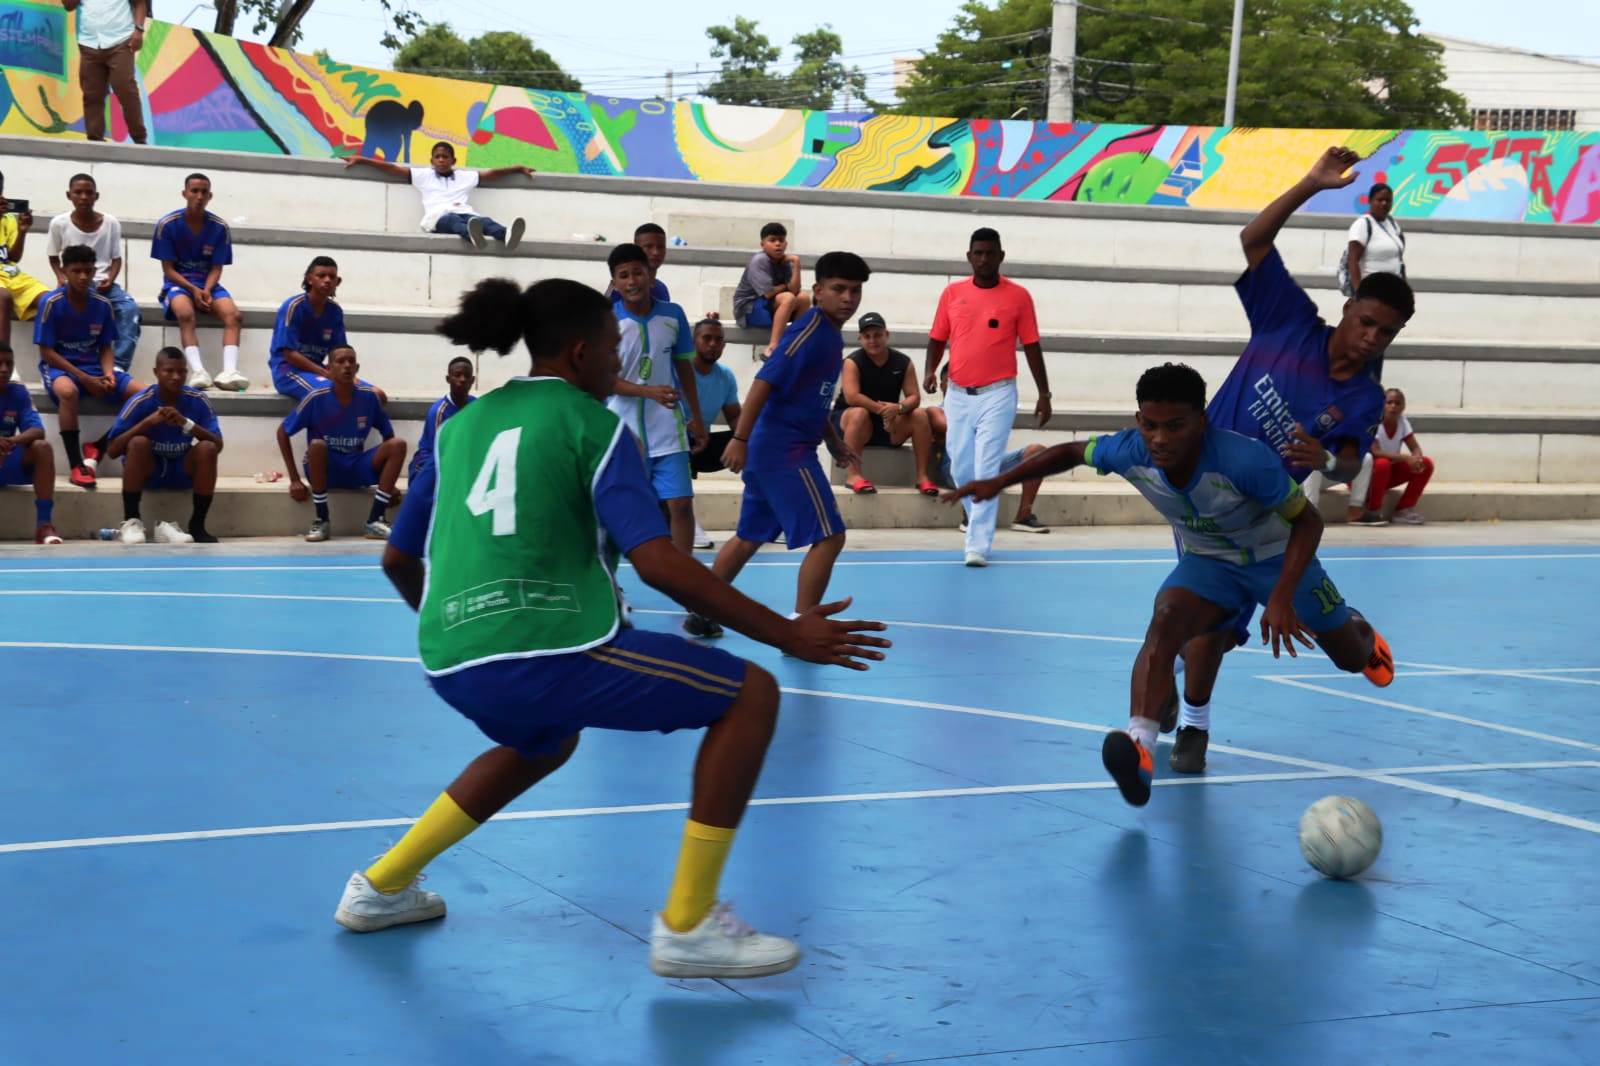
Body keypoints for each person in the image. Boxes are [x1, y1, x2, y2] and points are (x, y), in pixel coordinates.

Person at [332, 275, 890, 983]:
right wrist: (784, 632)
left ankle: (380, 886)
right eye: (610, 349)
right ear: (578, 354)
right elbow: (657, 562)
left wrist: (459, 622)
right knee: (750, 695)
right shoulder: (594, 425)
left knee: (543, 741)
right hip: (547, 648)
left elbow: (397, 556)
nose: (618, 365)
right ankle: (688, 925)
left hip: (448, 657)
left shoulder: (460, 424)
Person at [946, 363, 1394, 802]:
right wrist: (998, 481)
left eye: (1175, 426)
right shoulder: (1131, 450)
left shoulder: (1245, 459)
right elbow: (1068, 452)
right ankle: (1140, 746)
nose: (1160, 439)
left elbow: (1309, 523)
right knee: (1165, 622)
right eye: (1150, 424)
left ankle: (1358, 629)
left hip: (1276, 556)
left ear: (1202, 421)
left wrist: (1280, 597)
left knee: (1350, 658)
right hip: (1210, 562)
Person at [1169, 145, 1411, 765]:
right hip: (1206, 504)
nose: (1372, 337)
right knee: (1209, 628)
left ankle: (1355, 628)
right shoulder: (1287, 323)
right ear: (1348, 307)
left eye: (1386, 333)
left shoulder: (1360, 397)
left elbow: (1352, 463)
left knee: (1349, 657)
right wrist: (1310, 182)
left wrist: (1326, 463)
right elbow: (1253, 238)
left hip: (1277, 523)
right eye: (1367, 322)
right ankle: (1193, 726)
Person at [704, 252, 869, 636]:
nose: (848, 298)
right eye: (839, 289)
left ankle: (701, 607)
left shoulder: (830, 334)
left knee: (749, 537)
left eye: (855, 291)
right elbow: (765, 381)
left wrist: (834, 441)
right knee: (830, 536)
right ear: (818, 291)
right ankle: (802, 626)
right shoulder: (809, 331)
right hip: (784, 451)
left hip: (777, 448)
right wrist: (740, 438)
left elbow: (816, 396)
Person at [923, 227, 1051, 567]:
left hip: (998, 393)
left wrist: (1044, 393)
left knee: (986, 465)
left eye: (990, 253)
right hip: (959, 395)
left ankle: (977, 544)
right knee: (962, 467)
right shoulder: (952, 293)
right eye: (978, 253)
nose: (983, 259)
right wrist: (930, 370)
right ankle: (977, 516)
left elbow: (1033, 345)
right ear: (969, 257)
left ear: (1001, 256)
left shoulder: (1019, 296)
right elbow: (937, 337)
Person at [604, 243, 706, 555]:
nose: (632, 281)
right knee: (620, 512)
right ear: (615, 282)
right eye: (623, 275)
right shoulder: (607, 321)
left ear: (650, 274)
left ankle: (688, 582)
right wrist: (647, 392)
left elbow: (684, 367)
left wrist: (698, 418)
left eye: (638, 272)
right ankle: (613, 584)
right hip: (623, 431)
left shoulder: (673, 315)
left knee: (680, 505)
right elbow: (604, 380)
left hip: (668, 429)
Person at [35, 245, 144, 489]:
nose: (83, 277)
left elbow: (106, 346)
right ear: (64, 271)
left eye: (88, 270)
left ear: (94, 270)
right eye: (77, 271)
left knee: (146, 396)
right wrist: (85, 379)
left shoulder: (102, 304)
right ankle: (76, 464)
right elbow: (47, 352)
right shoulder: (51, 302)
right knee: (68, 392)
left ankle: (99, 447)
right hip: (61, 368)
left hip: (94, 367)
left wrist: (108, 373)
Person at [276, 346, 405, 542]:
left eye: (351, 361)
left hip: (356, 465)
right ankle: (322, 519)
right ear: (328, 369)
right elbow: (282, 432)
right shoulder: (316, 397)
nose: (347, 365)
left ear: (357, 367)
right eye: (340, 361)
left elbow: (388, 434)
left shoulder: (369, 397)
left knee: (398, 445)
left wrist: (388, 482)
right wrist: (294, 479)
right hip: (327, 469)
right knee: (317, 445)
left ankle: (375, 520)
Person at [105, 346, 223, 544]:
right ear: (156, 372)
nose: (176, 377)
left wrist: (186, 423)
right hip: (150, 469)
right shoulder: (141, 401)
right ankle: (132, 522)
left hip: (182, 468)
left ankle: (197, 525)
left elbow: (218, 445)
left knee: (208, 448)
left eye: (181, 371)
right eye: (169, 371)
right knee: (138, 442)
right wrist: (146, 423)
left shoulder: (198, 399)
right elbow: (112, 450)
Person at [150, 173, 248, 391]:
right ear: (184, 193)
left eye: (204, 192)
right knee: (185, 314)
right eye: (194, 191)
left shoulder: (219, 227)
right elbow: (168, 269)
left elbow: (216, 267)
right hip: (179, 284)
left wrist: (206, 290)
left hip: (208, 284)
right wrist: (194, 290)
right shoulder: (168, 224)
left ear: (210, 195)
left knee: (234, 315)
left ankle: (229, 371)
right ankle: (198, 371)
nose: (199, 196)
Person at [345, 143, 532, 253]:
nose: (441, 160)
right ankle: (472, 236)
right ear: (432, 161)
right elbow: (392, 169)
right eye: (437, 157)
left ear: (453, 161)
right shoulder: (423, 176)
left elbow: (492, 174)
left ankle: (506, 235)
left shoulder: (465, 177)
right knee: (453, 220)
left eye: (445, 157)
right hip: (438, 219)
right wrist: (362, 160)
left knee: (485, 221)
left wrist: (517, 169)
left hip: (465, 213)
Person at [831, 311, 937, 496]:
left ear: (887, 335)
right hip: (852, 423)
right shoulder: (852, 361)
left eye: (878, 335)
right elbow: (852, 397)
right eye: (867, 336)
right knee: (859, 413)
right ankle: (853, 475)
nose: (873, 340)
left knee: (920, 415)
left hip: (887, 422)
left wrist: (899, 408)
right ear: (860, 339)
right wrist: (883, 410)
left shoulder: (903, 362)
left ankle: (922, 477)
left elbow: (914, 396)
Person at [47, 173, 139, 374]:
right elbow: (53, 257)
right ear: (68, 195)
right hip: (73, 285)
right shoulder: (59, 223)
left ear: (96, 196)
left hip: (104, 285)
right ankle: (61, 367)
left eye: (88, 193)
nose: (83, 197)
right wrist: (61, 277)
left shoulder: (111, 223)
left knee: (130, 309)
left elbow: (116, 259)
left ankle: (119, 366)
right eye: (78, 192)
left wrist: (110, 279)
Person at [685, 317, 741, 551]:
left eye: (718, 340)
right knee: (676, 441)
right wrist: (689, 427)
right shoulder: (678, 369)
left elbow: (735, 417)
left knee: (756, 441)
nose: (712, 344)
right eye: (706, 338)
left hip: (703, 445)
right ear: (693, 341)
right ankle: (686, 521)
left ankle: (766, 517)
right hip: (675, 442)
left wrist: (745, 442)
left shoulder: (725, 376)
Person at [0, 343, 63, 544]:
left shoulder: (18, 392)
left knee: (42, 448)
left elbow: (38, 430)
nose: (4, 369)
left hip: (5, 457)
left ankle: (44, 525)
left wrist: (11, 441)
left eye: (9, 364)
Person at [63, 0, 149, 145]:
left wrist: (139, 30)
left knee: (125, 89)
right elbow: (69, 6)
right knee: (92, 94)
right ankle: (95, 142)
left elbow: (140, 3)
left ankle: (139, 139)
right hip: (89, 43)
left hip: (121, 41)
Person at [732, 223, 808, 358]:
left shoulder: (785, 261)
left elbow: (795, 290)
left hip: (770, 306)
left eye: (781, 240)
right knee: (788, 297)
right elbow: (768, 293)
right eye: (772, 240)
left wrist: (796, 263)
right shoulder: (759, 260)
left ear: (786, 243)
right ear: (763, 244)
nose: (777, 244)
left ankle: (794, 343)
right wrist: (786, 286)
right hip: (748, 309)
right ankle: (773, 346)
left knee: (803, 298)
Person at [1363, 387, 1434, 524]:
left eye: (1397, 403)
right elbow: (1375, 452)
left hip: (1386, 474)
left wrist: (1417, 459)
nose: (1393, 406)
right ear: (1382, 404)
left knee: (1426, 464)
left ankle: (1404, 509)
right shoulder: (1373, 421)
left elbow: (1415, 447)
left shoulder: (1402, 421)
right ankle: (1373, 510)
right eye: (1389, 402)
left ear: (1403, 406)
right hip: (1367, 475)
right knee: (1382, 463)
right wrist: (1407, 458)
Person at [0, 174, 51, 348]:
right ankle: (3, 360)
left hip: (12, 274)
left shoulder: (8, 219)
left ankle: (50, 360)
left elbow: (13, 257)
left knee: (50, 301)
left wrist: (22, 231)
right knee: (3, 298)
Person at [409, 356, 475, 481]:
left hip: (460, 458)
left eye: (467, 376)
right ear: (448, 379)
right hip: (430, 460)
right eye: (457, 375)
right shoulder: (438, 411)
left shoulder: (475, 406)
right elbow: (438, 452)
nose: (462, 379)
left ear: (472, 380)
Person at [1339, 182, 1405, 297]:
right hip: (1371, 292)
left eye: (1388, 200)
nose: (1384, 203)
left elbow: (1399, 260)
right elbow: (1352, 261)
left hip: (1392, 291)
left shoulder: (1392, 223)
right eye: (1379, 200)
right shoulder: (1363, 224)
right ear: (1370, 201)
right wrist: (1359, 294)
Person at [605, 223, 671, 304]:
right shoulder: (619, 290)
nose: (656, 252)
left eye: (660, 247)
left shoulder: (662, 289)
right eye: (649, 247)